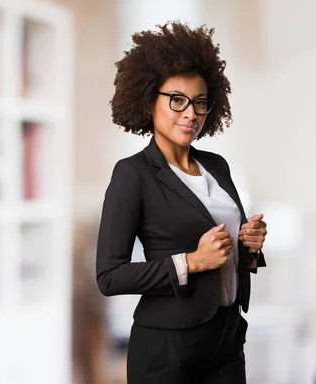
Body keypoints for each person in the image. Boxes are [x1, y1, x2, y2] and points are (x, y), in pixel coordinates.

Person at [96, 21, 268, 383]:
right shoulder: (133, 174)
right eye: (177, 100)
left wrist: (247, 244)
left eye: (200, 102)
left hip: (226, 338)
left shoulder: (216, 165)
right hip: (167, 348)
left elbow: (224, 251)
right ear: (148, 99)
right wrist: (191, 261)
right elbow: (109, 276)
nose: (191, 113)